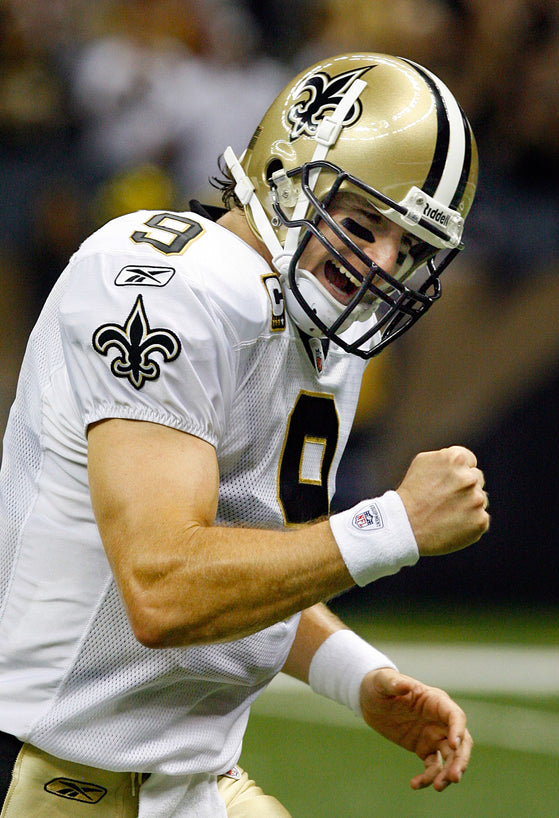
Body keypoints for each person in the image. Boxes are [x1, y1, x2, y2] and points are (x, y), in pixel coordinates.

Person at [0, 52, 488, 816]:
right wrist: (391, 525)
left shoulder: (320, 323)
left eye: (411, 248)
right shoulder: (160, 283)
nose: (381, 265)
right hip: (52, 777)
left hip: (189, 781)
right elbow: (165, 587)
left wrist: (354, 675)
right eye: (363, 223)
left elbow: (249, 557)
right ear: (288, 176)